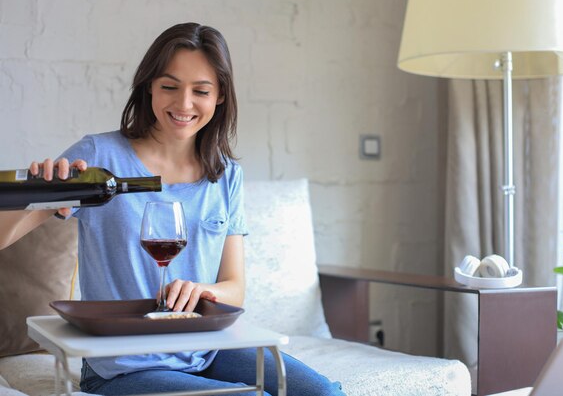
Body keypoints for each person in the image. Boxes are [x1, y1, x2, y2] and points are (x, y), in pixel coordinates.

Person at [0, 22, 344, 396]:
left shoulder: (226, 176)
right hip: (123, 367)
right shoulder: (98, 157)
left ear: (221, 96)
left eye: (201, 91)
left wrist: (201, 291)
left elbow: (235, 288)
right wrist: (41, 193)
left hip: (209, 353)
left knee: (323, 393)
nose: (183, 104)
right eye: (169, 86)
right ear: (149, 86)